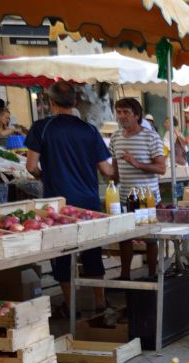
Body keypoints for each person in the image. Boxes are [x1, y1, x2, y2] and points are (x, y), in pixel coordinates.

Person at [24, 82, 111, 322]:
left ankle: (71, 305)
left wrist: (45, 175)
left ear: (50, 102)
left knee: (62, 252)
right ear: (74, 102)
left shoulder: (41, 128)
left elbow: (31, 166)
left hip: (57, 204)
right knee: (92, 250)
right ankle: (100, 301)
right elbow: (106, 168)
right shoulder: (89, 130)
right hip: (89, 201)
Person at [110, 97, 165, 281]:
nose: (121, 116)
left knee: (149, 237)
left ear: (137, 115)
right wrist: (110, 177)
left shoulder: (151, 137)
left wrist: (136, 163)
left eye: (126, 112)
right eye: (119, 112)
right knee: (124, 236)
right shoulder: (116, 137)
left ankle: (152, 275)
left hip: (146, 197)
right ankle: (125, 275)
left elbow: (161, 168)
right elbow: (115, 167)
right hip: (124, 196)